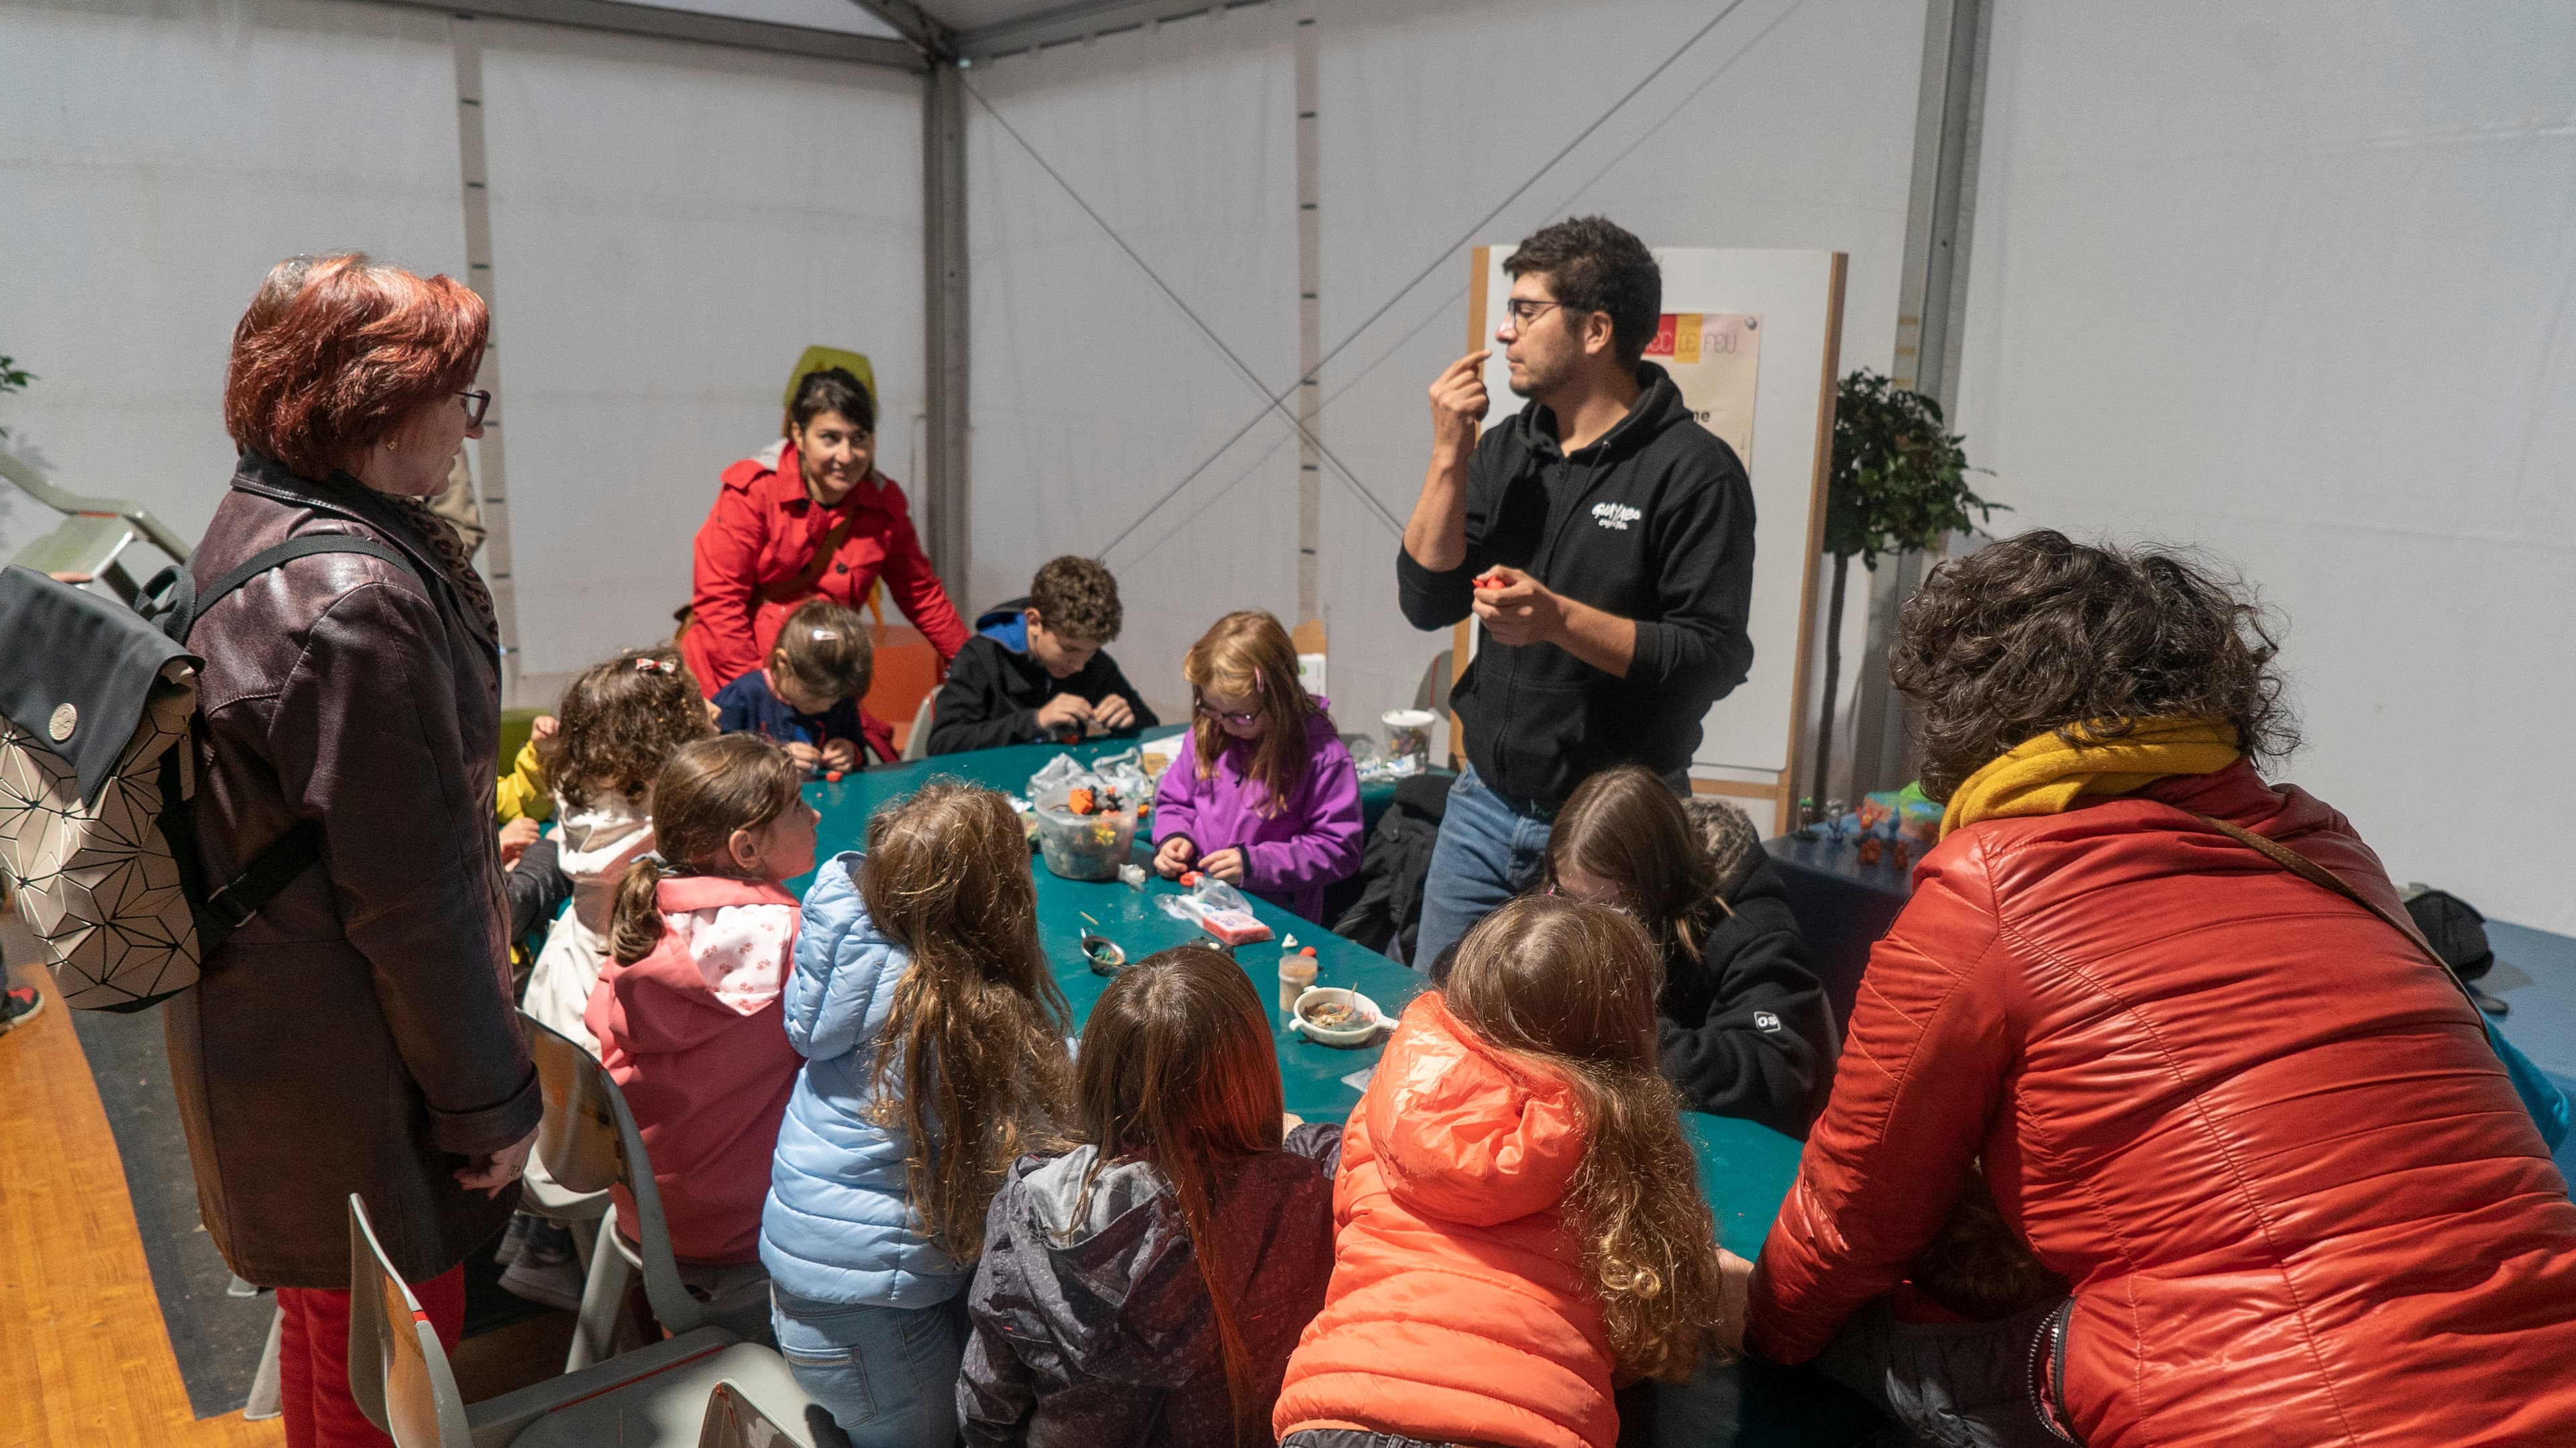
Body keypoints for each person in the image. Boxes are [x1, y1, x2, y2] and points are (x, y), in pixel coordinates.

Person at [1747, 531, 2576, 1445]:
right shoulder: (2332, 849)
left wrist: (1759, 1346)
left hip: (2265, 1408)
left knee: (1882, 1335)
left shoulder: (1991, 886)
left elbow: (1850, 1217)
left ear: (1974, 717)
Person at [182, 252, 539, 1448]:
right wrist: (489, 1100)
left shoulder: (260, 519)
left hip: (282, 1053)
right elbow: (417, 902)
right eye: (463, 398)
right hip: (358, 1078)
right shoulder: (359, 594)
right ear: (383, 407)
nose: (469, 429)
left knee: (334, 1344)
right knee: (387, 1383)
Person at [1397, 215, 1756, 971]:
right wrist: (1446, 453)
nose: (1503, 332)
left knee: (1573, 1051)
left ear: (1596, 330)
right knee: (1436, 1023)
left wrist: (1558, 619)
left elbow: (1711, 656)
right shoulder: (1508, 448)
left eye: (1527, 311)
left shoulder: (1695, 471)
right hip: (1482, 809)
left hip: (1608, 837)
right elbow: (1427, 598)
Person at [1273, 895, 1745, 1448]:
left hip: (1339, 1411)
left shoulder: (1382, 1113)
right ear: (1625, 1033)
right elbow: (1643, 1336)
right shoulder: (1620, 1142)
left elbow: (1353, 1241)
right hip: (1522, 1427)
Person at [761, 781, 1075, 1446]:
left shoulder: (864, 973)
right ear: (997, 902)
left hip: (816, 1298)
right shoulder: (948, 1016)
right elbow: (1047, 1122)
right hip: (874, 1328)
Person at [957, 944, 1341, 1446]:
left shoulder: (1031, 1211)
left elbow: (986, 1408)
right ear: (1254, 1079)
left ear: (1097, 1074)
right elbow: (1356, 1150)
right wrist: (1296, 1138)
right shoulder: (1311, 1197)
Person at [585, 734, 817, 1342]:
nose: (814, 813)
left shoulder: (643, 917)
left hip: (650, 1218)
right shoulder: (789, 935)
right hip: (740, 1230)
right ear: (745, 848)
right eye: (797, 805)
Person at [505, 647, 710, 1308]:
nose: (714, 715)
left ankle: (542, 1245)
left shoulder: (584, 803)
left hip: (563, 1081)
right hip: (623, 1125)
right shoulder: (659, 837)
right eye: (697, 714)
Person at [1532, 766, 1836, 1137]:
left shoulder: (1749, 925)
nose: (1583, 925)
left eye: (1608, 909)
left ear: (1661, 890)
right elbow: (1466, 961)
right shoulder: (1572, 893)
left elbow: (1781, 1069)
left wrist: (1627, 1034)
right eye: (1566, 897)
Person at [683, 367, 968, 695]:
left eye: (859, 438)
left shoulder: (883, 503)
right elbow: (720, 604)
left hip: (823, 686)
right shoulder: (754, 491)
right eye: (830, 438)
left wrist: (969, 662)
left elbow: (921, 594)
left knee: (873, 748)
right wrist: (760, 695)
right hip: (733, 684)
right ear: (799, 436)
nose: (846, 456)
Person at [1148, 611, 1363, 922]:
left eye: (1242, 716)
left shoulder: (1323, 758)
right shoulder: (1208, 734)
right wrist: (1174, 837)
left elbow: (1338, 849)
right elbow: (1175, 801)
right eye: (1213, 710)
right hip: (1201, 903)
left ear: (1280, 698)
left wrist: (1255, 864)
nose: (1226, 725)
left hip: (1277, 918)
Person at [928, 555, 1158, 755]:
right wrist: (1036, 721)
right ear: (1035, 622)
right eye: (1069, 649)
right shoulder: (981, 658)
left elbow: (1153, 731)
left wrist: (1130, 720)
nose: (1079, 666)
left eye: (1092, 651)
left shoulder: (1094, 664)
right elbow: (943, 743)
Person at [713, 596, 896, 771]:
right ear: (783, 663)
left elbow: (858, 750)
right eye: (814, 696)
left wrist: (850, 753)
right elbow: (713, 763)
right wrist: (774, 759)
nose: (826, 708)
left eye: (835, 700)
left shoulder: (839, 696)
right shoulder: (742, 697)